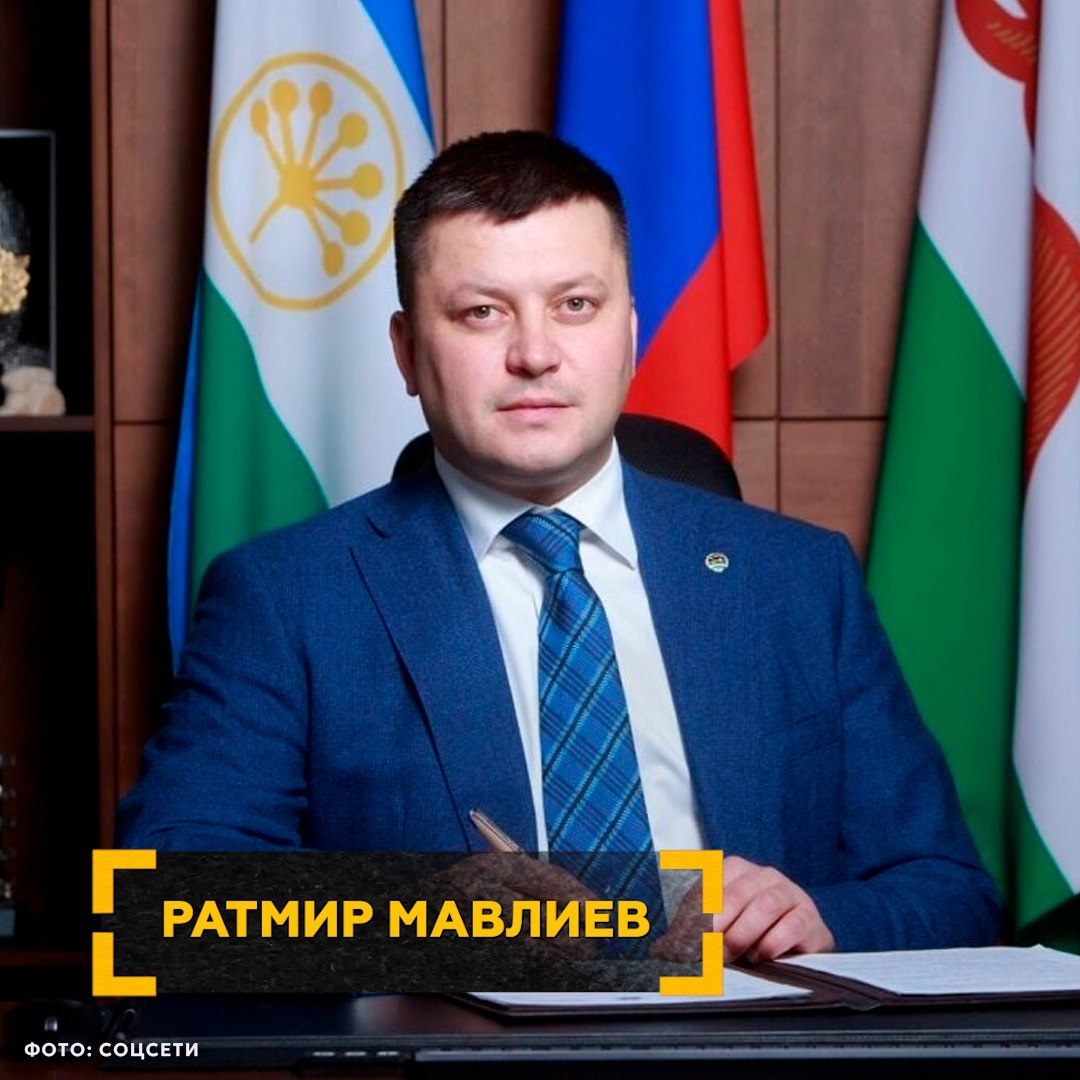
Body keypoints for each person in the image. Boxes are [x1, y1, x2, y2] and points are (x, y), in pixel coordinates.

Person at [118, 130, 1000, 963]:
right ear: (408, 353)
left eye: (575, 305)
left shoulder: (799, 581)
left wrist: (821, 919)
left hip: (744, 1037)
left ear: (628, 333)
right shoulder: (287, 597)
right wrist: (462, 922)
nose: (535, 354)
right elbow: (163, 911)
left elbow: (951, 893)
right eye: (481, 313)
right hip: (461, 1045)